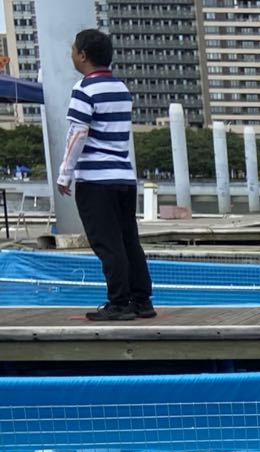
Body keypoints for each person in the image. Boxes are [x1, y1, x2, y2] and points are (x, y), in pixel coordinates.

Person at [56, 28, 153, 322]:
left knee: (106, 242)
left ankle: (119, 302)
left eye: (73, 50)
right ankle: (142, 300)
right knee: (128, 240)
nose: (71, 54)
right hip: (123, 177)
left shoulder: (84, 90)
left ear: (82, 55)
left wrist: (65, 174)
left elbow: (78, 134)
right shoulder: (120, 89)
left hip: (96, 180)